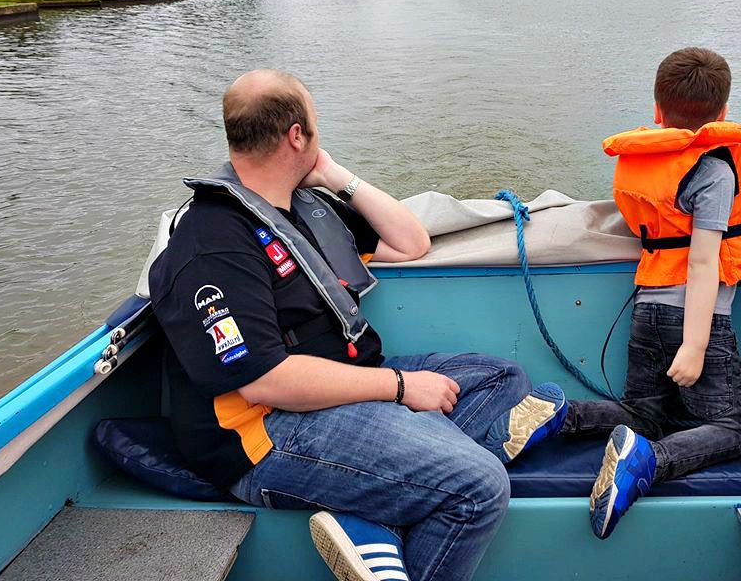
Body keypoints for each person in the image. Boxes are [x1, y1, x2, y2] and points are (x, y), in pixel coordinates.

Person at [148, 69, 569, 581]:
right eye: (315, 126)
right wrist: (399, 387)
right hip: (263, 432)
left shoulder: (303, 209)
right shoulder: (213, 238)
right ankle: (410, 488)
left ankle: (371, 514)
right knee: (478, 486)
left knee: (502, 379)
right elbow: (265, 379)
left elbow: (411, 241)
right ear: (296, 135)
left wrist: (334, 175)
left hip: (339, 383)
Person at [559, 48, 741, 539]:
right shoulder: (716, 170)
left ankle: (559, 417)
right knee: (733, 430)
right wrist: (696, 346)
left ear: (658, 112)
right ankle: (647, 463)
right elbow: (701, 262)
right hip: (695, 319)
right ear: (722, 114)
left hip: (648, 306)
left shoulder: (649, 159)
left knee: (644, 412)